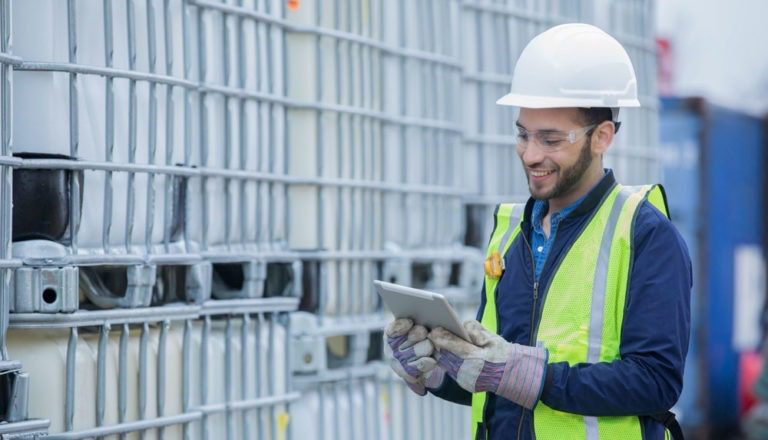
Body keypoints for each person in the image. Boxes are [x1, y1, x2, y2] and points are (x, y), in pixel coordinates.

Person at [385, 23, 691, 440]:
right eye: (523, 134)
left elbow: (655, 381)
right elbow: (498, 384)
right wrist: (439, 370)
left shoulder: (646, 235)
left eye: (550, 140)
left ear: (602, 136)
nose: (531, 154)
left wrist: (528, 375)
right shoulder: (511, 234)